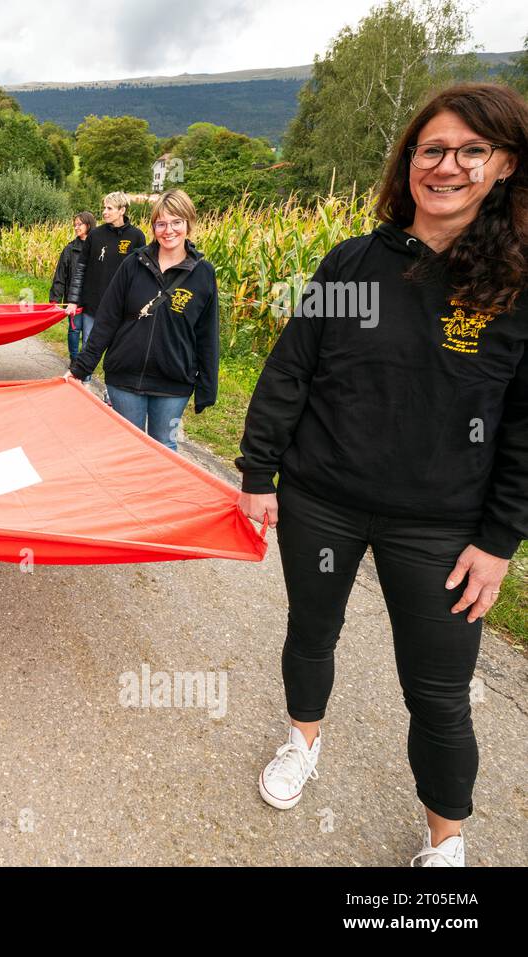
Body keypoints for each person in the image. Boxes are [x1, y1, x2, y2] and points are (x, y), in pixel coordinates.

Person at [236, 83, 527, 867]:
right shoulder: (352, 261)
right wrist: (259, 473)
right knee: (310, 631)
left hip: (441, 528)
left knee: (438, 695)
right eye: (433, 148)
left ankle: (445, 841)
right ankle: (302, 741)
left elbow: (525, 428)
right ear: (410, 162)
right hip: (322, 502)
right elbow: (290, 370)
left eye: (473, 150)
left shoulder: (514, 287)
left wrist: (499, 541)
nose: (449, 165)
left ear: (503, 165)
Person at [67, 189, 218, 452]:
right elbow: (106, 320)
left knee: (164, 446)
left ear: (188, 224)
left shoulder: (203, 274)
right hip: (124, 376)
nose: (168, 230)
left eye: (176, 222)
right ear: (153, 227)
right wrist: (81, 368)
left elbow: (207, 334)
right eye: (161, 223)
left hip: (174, 382)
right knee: (129, 447)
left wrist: (207, 387)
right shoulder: (133, 265)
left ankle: (160, 495)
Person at [82, 191, 147, 320]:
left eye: (109, 208)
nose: (104, 212)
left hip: (120, 307)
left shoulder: (137, 237)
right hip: (92, 306)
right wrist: (74, 299)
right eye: (104, 208)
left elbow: (140, 273)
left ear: (122, 210)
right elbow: (81, 267)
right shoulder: (95, 235)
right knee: (89, 341)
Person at [49, 211, 95, 367]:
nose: (76, 227)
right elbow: (60, 275)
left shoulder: (98, 247)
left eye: (79, 224)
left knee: (89, 334)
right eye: (75, 224)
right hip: (73, 298)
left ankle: (85, 365)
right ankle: (74, 361)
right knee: (74, 331)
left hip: (93, 299)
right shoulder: (70, 249)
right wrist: (55, 300)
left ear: (89, 225)